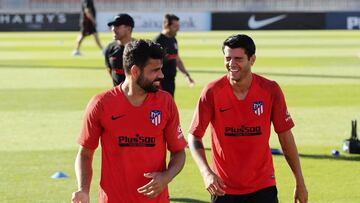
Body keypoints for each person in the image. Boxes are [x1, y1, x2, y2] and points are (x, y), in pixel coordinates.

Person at [188, 34, 308, 203]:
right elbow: (194, 135)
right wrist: (206, 172)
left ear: (252, 60)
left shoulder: (270, 90)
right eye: (228, 58)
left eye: (238, 59)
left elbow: (286, 137)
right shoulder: (212, 91)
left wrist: (299, 181)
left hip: (263, 186)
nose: (232, 64)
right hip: (223, 188)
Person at [71, 39, 187, 203]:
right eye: (155, 70)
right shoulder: (101, 104)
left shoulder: (166, 102)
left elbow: (178, 152)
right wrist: (83, 189)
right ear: (135, 71)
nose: (161, 75)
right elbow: (85, 153)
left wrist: (166, 177)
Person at [154, 13, 194, 97]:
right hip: (160, 84)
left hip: (171, 82)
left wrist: (186, 75)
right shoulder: (158, 42)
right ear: (166, 25)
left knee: (169, 107)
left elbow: (177, 60)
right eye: (175, 26)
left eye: (178, 26)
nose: (178, 29)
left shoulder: (173, 40)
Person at [104, 13, 135, 86]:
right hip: (117, 94)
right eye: (113, 26)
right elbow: (109, 70)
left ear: (129, 28)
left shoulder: (140, 48)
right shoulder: (110, 48)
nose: (113, 29)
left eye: (117, 26)